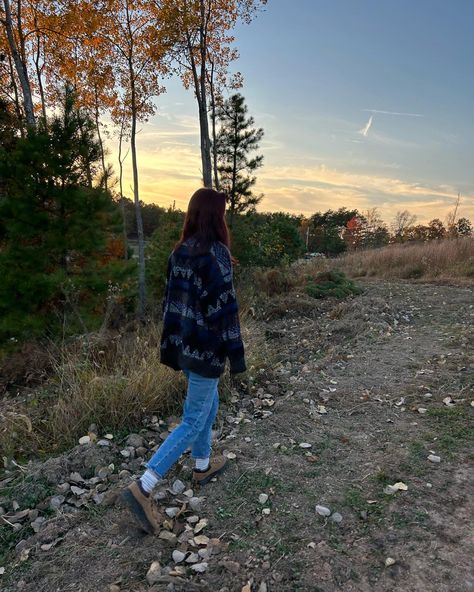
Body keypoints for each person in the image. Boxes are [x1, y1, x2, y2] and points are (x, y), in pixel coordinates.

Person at [122, 188, 246, 534]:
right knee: (192, 419)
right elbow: (226, 312)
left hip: (184, 347)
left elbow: (170, 304)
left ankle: (202, 464)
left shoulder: (180, 252)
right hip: (206, 350)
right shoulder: (216, 254)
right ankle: (144, 486)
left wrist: (173, 345)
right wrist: (236, 356)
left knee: (210, 402)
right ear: (215, 217)